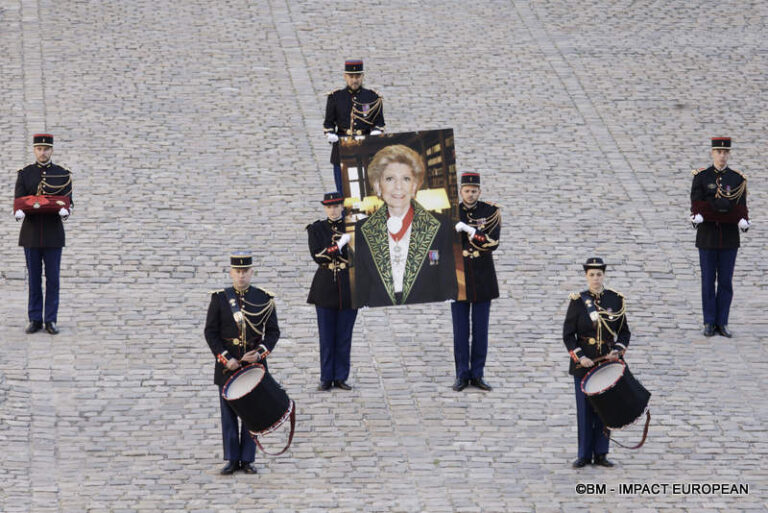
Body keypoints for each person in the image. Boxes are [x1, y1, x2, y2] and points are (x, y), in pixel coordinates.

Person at [204, 252, 280, 475]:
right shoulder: (219, 299)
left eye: (245, 272)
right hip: (228, 366)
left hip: (252, 366)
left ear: (251, 272)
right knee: (228, 415)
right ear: (231, 273)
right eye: (237, 272)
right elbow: (210, 332)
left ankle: (247, 458)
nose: (241, 276)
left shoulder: (264, 298)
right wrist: (226, 358)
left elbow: (273, 332)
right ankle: (231, 458)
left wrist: (260, 353)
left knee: (252, 414)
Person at [354, 144, 457, 307]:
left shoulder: (440, 225)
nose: (398, 187)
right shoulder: (362, 228)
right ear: (378, 185)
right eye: (390, 179)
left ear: (414, 186)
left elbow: (448, 283)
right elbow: (361, 285)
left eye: (406, 179)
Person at [562, 257, 630, 469]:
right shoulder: (578, 301)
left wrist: (617, 351)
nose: (595, 278)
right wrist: (581, 356)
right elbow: (568, 335)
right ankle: (583, 454)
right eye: (591, 275)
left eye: (599, 274)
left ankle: (601, 453)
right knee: (584, 410)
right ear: (586, 276)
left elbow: (624, 332)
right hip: (584, 364)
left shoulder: (615, 300)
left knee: (605, 409)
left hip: (606, 364)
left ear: (603, 276)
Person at [690, 137, 750, 338]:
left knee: (725, 282)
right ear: (712, 153)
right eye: (718, 152)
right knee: (708, 281)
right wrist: (718, 212)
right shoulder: (702, 177)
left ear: (729, 154)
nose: (722, 156)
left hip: (729, 239)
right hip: (707, 238)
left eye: (725, 152)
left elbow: (740, 207)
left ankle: (722, 322)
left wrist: (740, 218)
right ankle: (709, 321)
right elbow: (697, 205)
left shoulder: (737, 179)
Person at [13, 133, 73, 335]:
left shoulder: (62, 174)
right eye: (39, 149)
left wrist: (65, 211)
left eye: (46, 149)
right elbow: (19, 199)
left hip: (53, 233)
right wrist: (19, 211)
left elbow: (68, 201)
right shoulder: (25, 174)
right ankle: (35, 318)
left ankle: (51, 319)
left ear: (51, 150)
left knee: (53, 279)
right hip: (30, 233)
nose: (43, 153)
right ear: (34, 150)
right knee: (34, 279)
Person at [451, 172, 500, 392]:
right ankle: (462, 374)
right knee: (460, 331)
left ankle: (478, 374)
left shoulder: (490, 211)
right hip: (458, 277)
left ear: (479, 191)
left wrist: (471, 231)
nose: (470, 194)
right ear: (460, 191)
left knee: (481, 330)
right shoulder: (452, 212)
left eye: (474, 191)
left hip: (482, 276)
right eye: (466, 191)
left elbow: (493, 242)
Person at [306, 192, 358, 391]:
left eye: (336, 206)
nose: (333, 210)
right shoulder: (316, 229)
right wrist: (339, 245)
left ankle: (341, 376)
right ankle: (326, 377)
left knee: (344, 335)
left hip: (348, 286)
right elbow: (318, 256)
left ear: (342, 207)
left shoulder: (353, 227)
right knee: (326, 336)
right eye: (329, 207)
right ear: (325, 208)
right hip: (325, 286)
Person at [323, 59, 385, 193]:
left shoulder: (372, 97)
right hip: (341, 148)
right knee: (343, 190)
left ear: (362, 76)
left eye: (357, 76)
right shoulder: (335, 97)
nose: (354, 80)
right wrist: (330, 134)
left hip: (367, 147)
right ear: (345, 76)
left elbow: (380, 122)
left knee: (370, 189)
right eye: (351, 77)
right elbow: (328, 123)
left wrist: (376, 132)